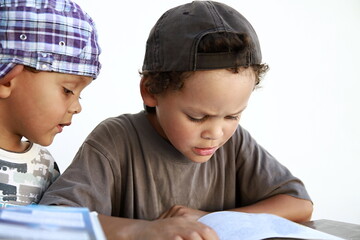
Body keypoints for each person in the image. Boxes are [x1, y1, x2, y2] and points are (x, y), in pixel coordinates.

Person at [40, 1, 313, 239]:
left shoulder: (235, 143)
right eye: (197, 117)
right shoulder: (116, 140)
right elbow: (52, 222)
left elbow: (299, 204)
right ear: (151, 91)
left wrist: (210, 219)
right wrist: (142, 231)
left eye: (233, 115)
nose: (216, 133)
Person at [0, 0, 101, 207]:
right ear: (8, 78)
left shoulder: (46, 167)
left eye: (79, 96)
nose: (77, 107)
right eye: (68, 90)